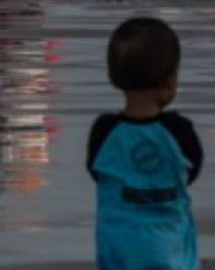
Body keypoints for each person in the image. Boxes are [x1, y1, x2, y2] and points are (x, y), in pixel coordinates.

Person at [87, 17, 202, 270]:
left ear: (113, 76)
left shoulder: (105, 131)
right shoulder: (178, 131)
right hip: (171, 243)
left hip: (118, 243)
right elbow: (191, 171)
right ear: (170, 80)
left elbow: (96, 171)